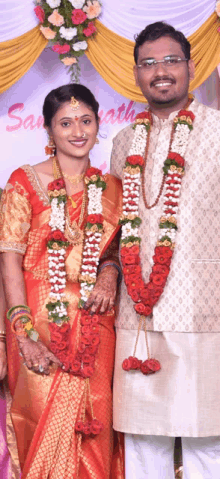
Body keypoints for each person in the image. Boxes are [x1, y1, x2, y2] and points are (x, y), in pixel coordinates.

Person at [111, 21, 220, 479]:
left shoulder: (218, 131)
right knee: (142, 444)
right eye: (148, 63)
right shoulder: (121, 143)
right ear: (135, 74)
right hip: (137, 318)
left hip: (206, 312)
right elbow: (111, 231)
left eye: (171, 60)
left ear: (192, 67)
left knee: (206, 443)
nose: (161, 71)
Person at [0, 84, 124, 478]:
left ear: (98, 124)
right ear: (48, 131)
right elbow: (9, 259)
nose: (77, 131)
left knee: (96, 421)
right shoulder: (24, 181)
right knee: (40, 419)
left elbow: (117, 252)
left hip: (96, 323)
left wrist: (108, 272)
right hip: (38, 325)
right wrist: (23, 335)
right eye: (65, 123)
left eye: (86, 120)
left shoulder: (113, 189)